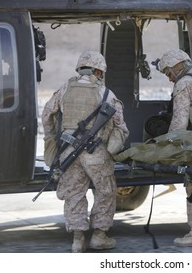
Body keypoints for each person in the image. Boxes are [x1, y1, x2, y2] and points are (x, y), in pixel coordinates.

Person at [42, 51, 129, 253]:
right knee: (105, 191)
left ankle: (77, 239)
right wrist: (114, 144)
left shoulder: (65, 89)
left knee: (74, 192)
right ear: (99, 70)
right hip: (96, 152)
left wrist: (51, 138)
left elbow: (47, 113)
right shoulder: (107, 94)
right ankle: (99, 236)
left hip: (67, 151)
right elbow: (121, 126)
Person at [157, 49, 192, 247]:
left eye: (168, 73)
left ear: (177, 67)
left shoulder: (184, 83)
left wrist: (165, 145)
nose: (170, 78)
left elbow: (179, 123)